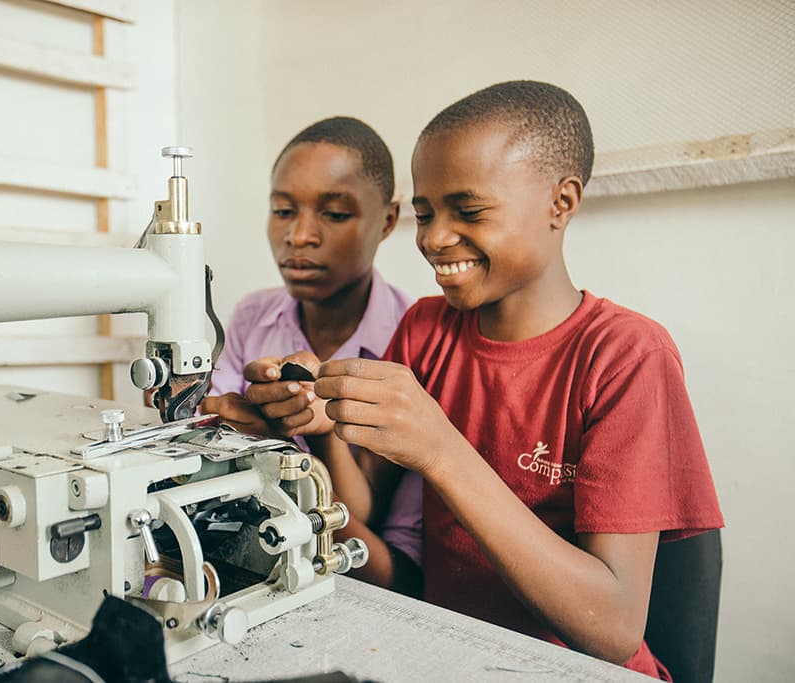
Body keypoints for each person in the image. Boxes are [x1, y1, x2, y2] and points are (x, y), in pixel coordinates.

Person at [305, 82, 723, 679]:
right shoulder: (427, 329)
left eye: (469, 211)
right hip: (451, 653)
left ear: (562, 202)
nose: (433, 238)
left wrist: (442, 449)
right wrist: (323, 424)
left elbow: (613, 627)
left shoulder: (625, 355)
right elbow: (363, 503)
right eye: (424, 214)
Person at [201, 116, 423, 595]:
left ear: (387, 220)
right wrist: (227, 419)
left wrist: (278, 444)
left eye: (335, 214)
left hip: (365, 583)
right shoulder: (251, 317)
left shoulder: (414, 343)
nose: (300, 236)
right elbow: (209, 441)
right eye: (283, 210)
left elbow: (399, 562)